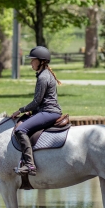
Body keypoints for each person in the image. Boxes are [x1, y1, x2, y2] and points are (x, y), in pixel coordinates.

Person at [11, 46, 62, 175]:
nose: (31, 63)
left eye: (33, 60)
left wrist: (20, 110)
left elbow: (36, 102)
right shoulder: (44, 74)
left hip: (49, 112)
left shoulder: (43, 77)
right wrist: (32, 112)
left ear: (41, 61)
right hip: (45, 110)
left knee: (20, 130)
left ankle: (30, 166)